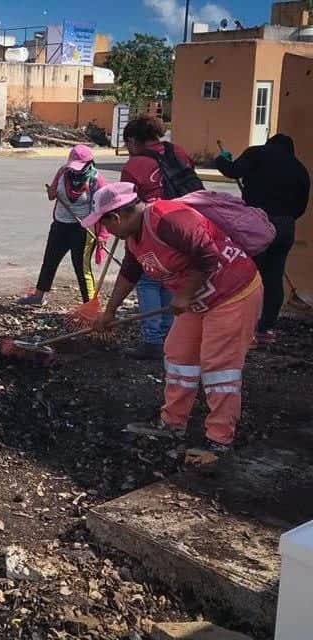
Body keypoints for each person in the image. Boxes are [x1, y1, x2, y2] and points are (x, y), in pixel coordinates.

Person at [86, 182, 262, 456]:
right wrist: (109, 312)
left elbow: (208, 255)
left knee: (219, 367)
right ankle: (172, 423)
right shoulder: (134, 237)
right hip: (198, 299)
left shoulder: (168, 219)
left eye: (104, 223)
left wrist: (184, 294)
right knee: (179, 356)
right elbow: (130, 273)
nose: (105, 230)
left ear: (116, 217)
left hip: (232, 294)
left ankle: (219, 439)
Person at [216, 134, 310, 342]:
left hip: (256, 223)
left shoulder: (257, 153)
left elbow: (232, 171)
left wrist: (221, 159)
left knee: (248, 275)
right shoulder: (300, 169)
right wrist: (283, 218)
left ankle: (242, 326)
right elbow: (301, 206)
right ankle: (265, 329)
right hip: (285, 225)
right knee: (274, 277)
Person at [119, 115, 198, 360]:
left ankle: (153, 341)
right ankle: (168, 336)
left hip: (154, 228)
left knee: (147, 282)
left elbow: (127, 205)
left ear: (132, 140)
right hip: (185, 224)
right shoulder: (178, 152)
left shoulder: (135, 165)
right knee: (170, 278)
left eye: (127, 144)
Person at [18, 145, 107, 306]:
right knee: (49, 261)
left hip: (83, 228)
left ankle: (90, 306)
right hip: (60, 224)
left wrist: (102, 236)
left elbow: (104, 210)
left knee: (81, 268)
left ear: (89, 163)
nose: (74, 170)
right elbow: (52, 194)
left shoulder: (96, 180)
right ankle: (38, 296)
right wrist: (51, 193)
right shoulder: (63, 172)